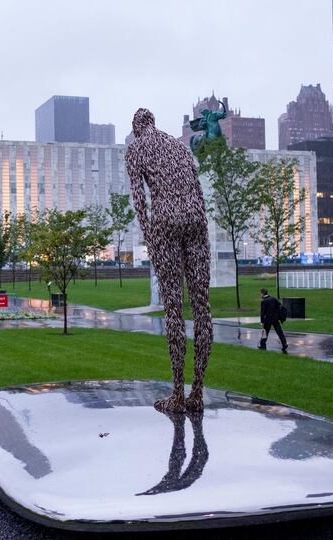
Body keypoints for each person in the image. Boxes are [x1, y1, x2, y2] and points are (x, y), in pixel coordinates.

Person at [125, 107, 213, 413]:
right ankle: (197, 393)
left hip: (166, 219)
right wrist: (199, 221)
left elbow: (139, 199)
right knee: (202, 306)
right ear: (154, 123)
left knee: (173, 307)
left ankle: (178, 394)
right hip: (196, 218)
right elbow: (198, 190)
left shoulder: (136, 148)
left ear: (136, 128)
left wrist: (150, 235)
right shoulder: (179, 145)